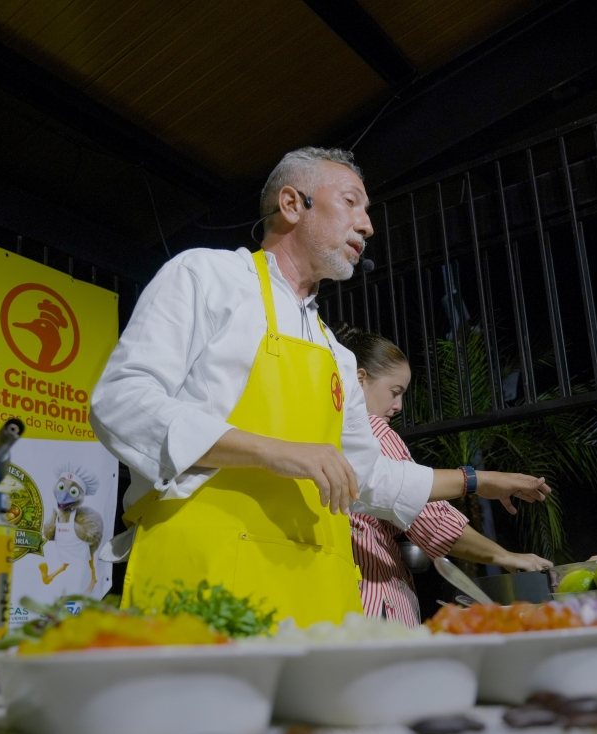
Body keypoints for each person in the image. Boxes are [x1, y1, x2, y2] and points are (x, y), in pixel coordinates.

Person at [90, 147, 550, 627]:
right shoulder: (208, 277)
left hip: (319, 593)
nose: (367, 226)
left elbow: (366, 477)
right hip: (210, 575)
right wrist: (273, 451)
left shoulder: (337, 354)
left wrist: (478, 480)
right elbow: (122, 401)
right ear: (292, 204)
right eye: (351, 202)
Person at [333, 323, 553, 624]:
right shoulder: (374, 431)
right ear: (360, 379)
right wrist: (507, 556)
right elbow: (429, 518)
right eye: (395, 392)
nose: (398, 406)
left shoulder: (321, 428)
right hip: (375, 603)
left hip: (336, 596)